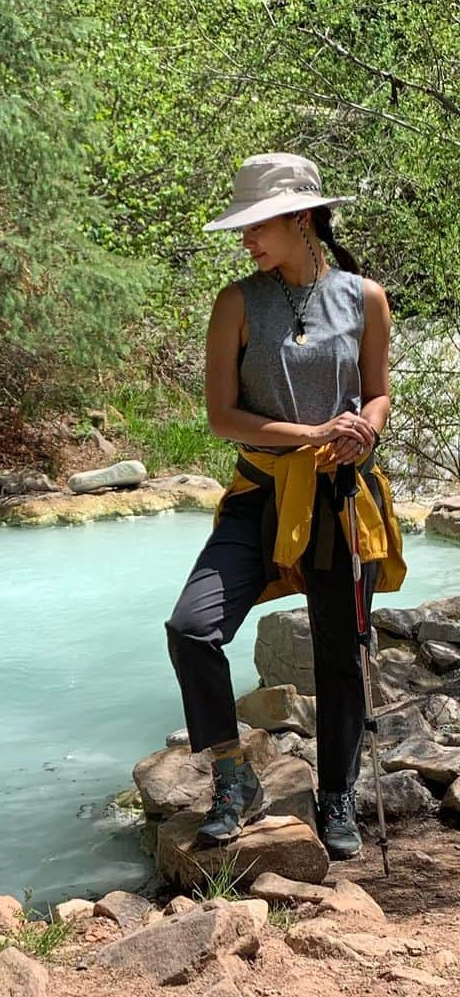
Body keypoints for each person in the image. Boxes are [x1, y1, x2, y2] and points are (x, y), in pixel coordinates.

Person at [165, 153, 407, 860]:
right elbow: (222, 417)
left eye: (256, 227)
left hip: (338, 497)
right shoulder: (237, 302)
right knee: (192, 627)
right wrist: (311, 434)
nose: (246, 242)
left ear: (301, 218)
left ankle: (337, 798)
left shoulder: (366, 299)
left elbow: (378, 390)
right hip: (260, 494)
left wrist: (367, 428)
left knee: (340, 656)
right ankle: (233, 778)